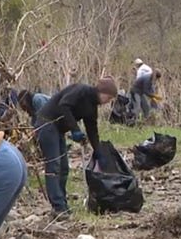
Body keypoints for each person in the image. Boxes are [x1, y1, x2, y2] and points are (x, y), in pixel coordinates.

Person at [34, 79, 118, 219]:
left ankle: (63, 204)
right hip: (46, 123)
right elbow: (63, 106)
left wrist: (98, 151)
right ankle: (58, 207)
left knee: (64, 168)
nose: (107, 102)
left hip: (58, 129)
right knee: (54, 166)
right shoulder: (81, 90)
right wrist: (75, 129)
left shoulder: (92, 107)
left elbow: (92, 129)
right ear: (101, 92)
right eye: (108, 98)